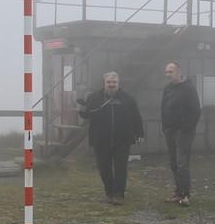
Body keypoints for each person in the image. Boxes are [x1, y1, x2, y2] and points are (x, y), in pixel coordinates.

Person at [77, 71, 145, 204]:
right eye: (109, 82)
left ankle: (119, 194)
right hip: (101, 139)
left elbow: (136, 117)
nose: (112, 85)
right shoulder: (94, 97)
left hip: (122, 139)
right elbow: (87, 115)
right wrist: (81, 107)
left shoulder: (128, 98)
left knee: (121, 167)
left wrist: (140, 133)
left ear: (119, 83)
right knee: (104, 167)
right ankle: (109, 192)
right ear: (104, 83)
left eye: (114, 82)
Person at [160, 61, 201, 206]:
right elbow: (163, 108)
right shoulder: (168, 89)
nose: (168, 75)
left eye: (170, 72)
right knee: (173, 163)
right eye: (166, 72)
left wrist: (185, 128)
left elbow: (195, 110)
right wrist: (165, 127)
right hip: (170, 131)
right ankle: (178, 193)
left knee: (182, 163)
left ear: (178, 72)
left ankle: (185, 195)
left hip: (183, 132)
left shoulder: (188, 88)